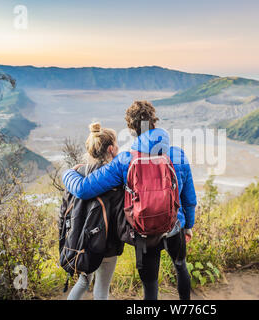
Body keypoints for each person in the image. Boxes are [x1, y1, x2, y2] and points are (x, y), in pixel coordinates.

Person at [62, 100, 197, 300]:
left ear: (131, 128)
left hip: (144, 233)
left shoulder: (125, 160)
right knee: (181, 267)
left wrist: (67, 174)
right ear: (154, 121)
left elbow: (84, 189)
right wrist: (188, 225)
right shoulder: (177, 155)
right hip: (175, 226)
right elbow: (189, 198)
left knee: (150, 285)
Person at [67, 122, 124, 300]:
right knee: (101, 289)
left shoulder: (80, 173)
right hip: (108, 243)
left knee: (83, 282)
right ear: (111, 149)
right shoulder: (115, 177)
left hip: (83, 241)